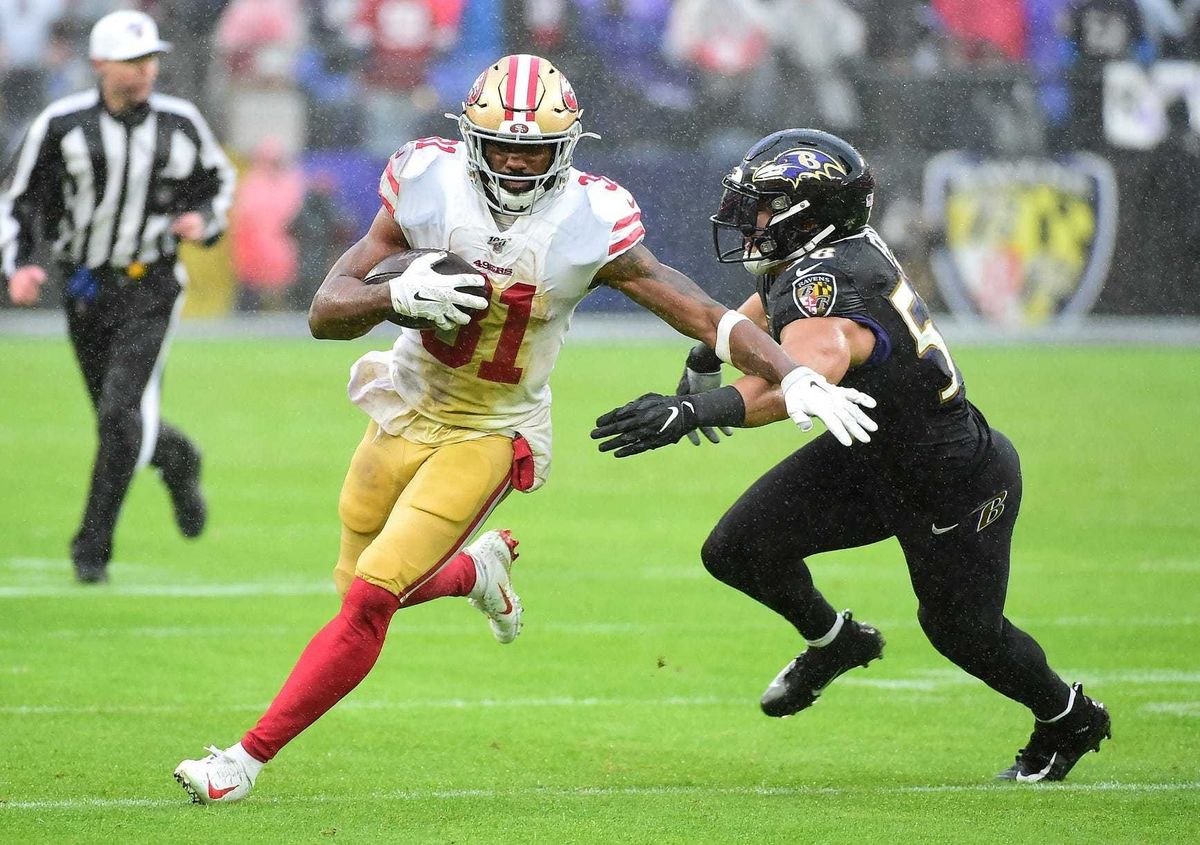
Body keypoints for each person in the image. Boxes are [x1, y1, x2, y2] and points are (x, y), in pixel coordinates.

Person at [172, 55, 878, 804]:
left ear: (565, 148)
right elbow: (325, 311)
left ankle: (242, 762)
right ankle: (476, 573)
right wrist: (393, 295)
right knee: (358, 587)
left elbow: (702, 311)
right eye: (502, 146)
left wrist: (791, 373)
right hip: (405, 403)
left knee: (369, 602)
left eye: (533, 150)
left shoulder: (590, 218)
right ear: (470, 139)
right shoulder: (425, 180)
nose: (514, 163)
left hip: (492, 427)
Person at [591, 128, 1112, 783]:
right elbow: (774, 299)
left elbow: (798, 382)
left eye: (763, 205)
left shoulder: (831, 288)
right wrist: (706, 351)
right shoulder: (823, 253)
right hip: (872, 459)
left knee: (963, 633)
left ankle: (1070, 718)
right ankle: (836, 641)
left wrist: (693, 410)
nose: (747, 219)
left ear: (808, 215)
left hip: (950, 481)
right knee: (736, 549)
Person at [0, 10, 236, 584]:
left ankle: (90, 550)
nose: (145, 70)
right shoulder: (62, 125)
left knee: (119, 414)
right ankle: (177, 457)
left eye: (150, 59)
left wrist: (203, 221)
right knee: (118, 422)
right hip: (85, 286)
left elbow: (218, 184)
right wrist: (22, 264)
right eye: (132, 60)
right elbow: (20, 198)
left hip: (151, 284)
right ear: (100, 64)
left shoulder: (179, 123)